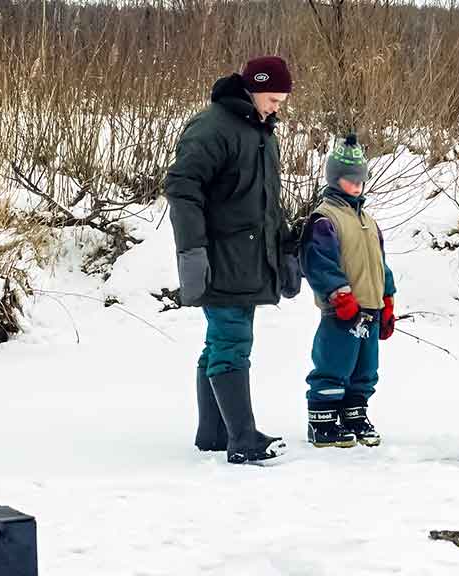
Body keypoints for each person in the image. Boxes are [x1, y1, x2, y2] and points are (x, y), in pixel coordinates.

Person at [163, 56, 302, 465]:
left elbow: (266, 206)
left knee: (220, 343)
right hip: (220, 257)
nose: (277, 107)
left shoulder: (262, 132)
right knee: (231, 342)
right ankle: (243, 439)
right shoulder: (211, 128)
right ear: (254, 88)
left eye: (281, 101)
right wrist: (193, 251)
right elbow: (182, 188)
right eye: (274, 98)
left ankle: (214, 434)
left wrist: (284, 250)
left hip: (251, 258)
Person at [300, 133, 396, 448]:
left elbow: (380, 265)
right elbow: (320, 262)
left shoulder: (368, 220)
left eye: (360, 179)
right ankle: (322, 419)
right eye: (349, 179)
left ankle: (355, 414)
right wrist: (339, 294)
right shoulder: (326, 219)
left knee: (365, 368)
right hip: (342, 309)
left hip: (370, 308)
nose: (356, 185)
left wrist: (388, 299)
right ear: (335, 179)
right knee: (334, 362)